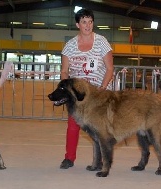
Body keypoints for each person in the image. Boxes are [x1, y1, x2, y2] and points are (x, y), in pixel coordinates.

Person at [59, 8, 114, 169]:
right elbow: (64, 70)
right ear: (78, 24)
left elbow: (110, 68)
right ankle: (69, 158)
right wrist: (69, 89)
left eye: (90, 21)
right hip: (78, 95)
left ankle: (101, 161)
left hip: (99, 92)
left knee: (100, 128)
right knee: (73, 125)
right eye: (84, 22)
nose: (88, 25)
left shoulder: (102, 42)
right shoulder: (69, 46)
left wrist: (103, 88)